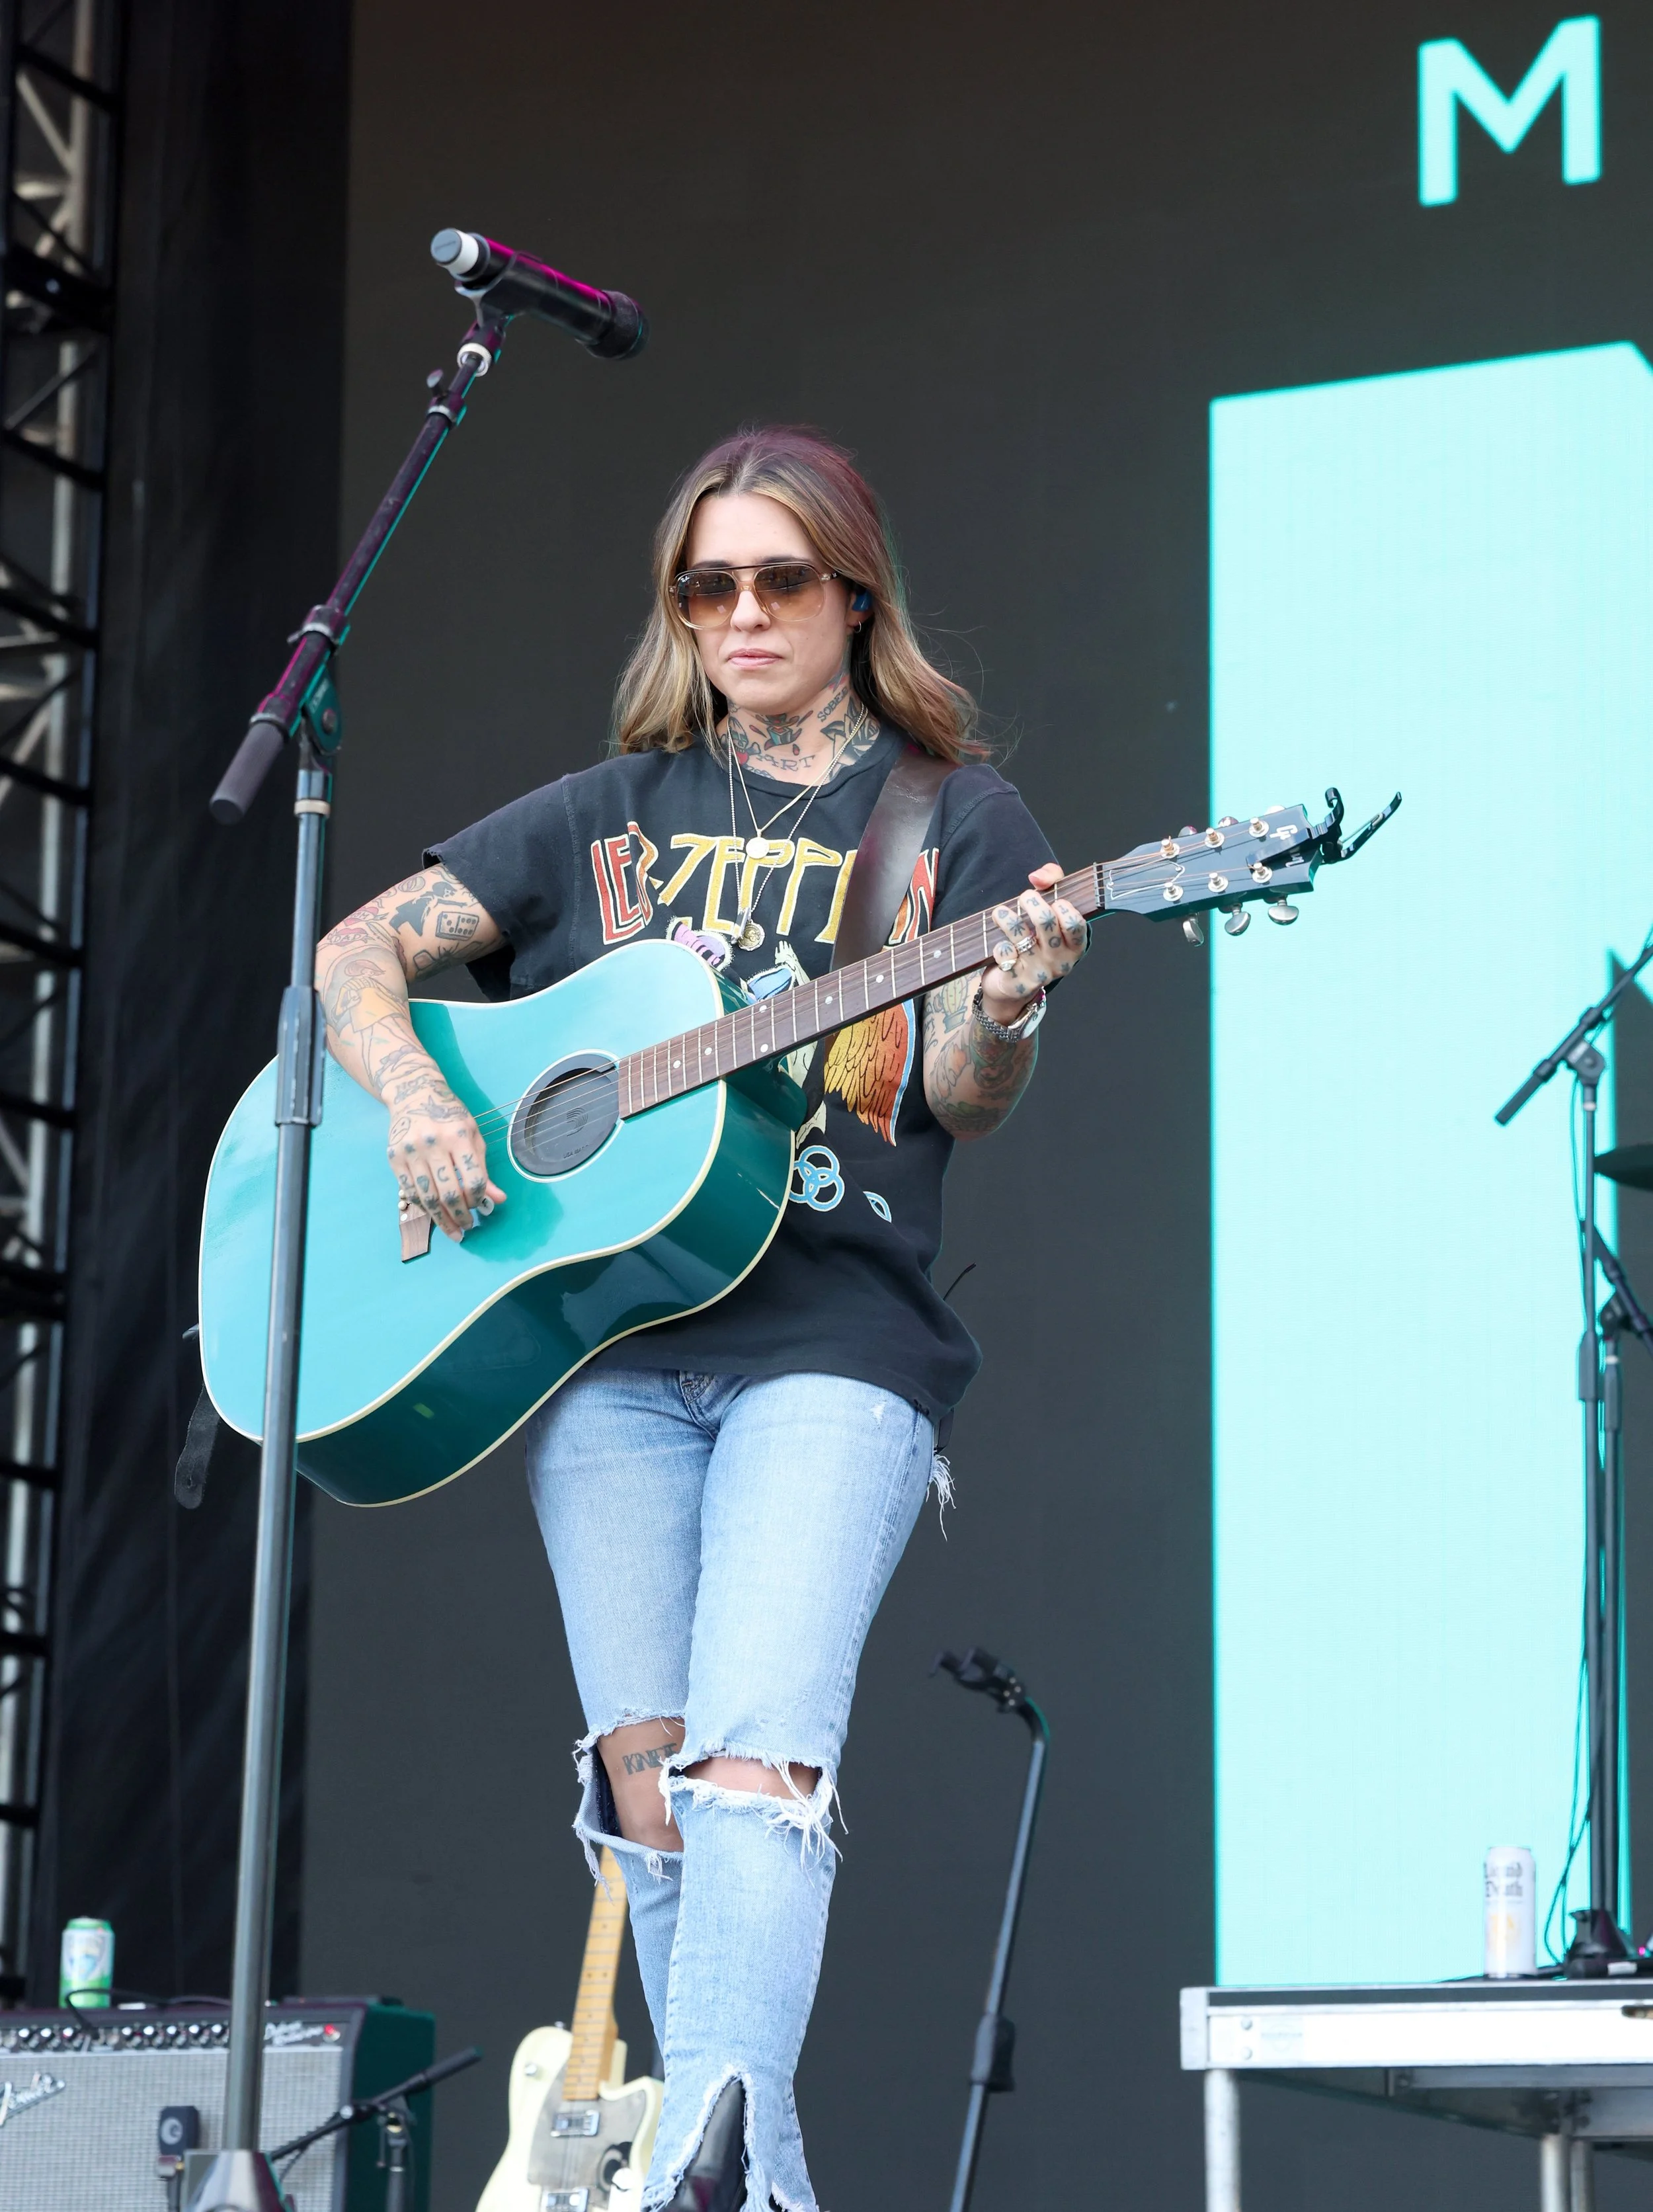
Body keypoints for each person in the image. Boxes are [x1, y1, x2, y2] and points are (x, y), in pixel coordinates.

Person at [315, 426, 1088, 2211]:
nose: (743, 612)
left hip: (835, 1341)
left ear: (854, 594)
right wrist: (420, 1103)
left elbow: (958, 1098)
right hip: (606, 1355)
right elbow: (355, 952)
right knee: (651, 1788)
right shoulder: (606, 812)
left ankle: (696, 2177)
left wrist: (1010, 1006)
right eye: (707, 584)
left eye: (780, 579)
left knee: (757, 1769)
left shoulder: (953, 821)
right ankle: (747, 2185)